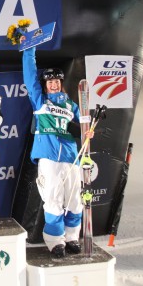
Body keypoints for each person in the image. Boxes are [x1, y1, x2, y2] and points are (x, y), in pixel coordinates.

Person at [21, 45, 89, 258]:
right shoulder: (40, 101)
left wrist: (90, 128)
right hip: (48, 157)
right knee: (53, 199)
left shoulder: (70, 105)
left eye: (57, 82)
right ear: (45, 84)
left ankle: (72, 237)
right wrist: (29, 50)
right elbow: (30, 76)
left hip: (70, 156)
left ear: (61, 84)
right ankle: (55, 241)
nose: (54, 85)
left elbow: (84, 120)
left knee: (74, 200)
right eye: (50, 82)